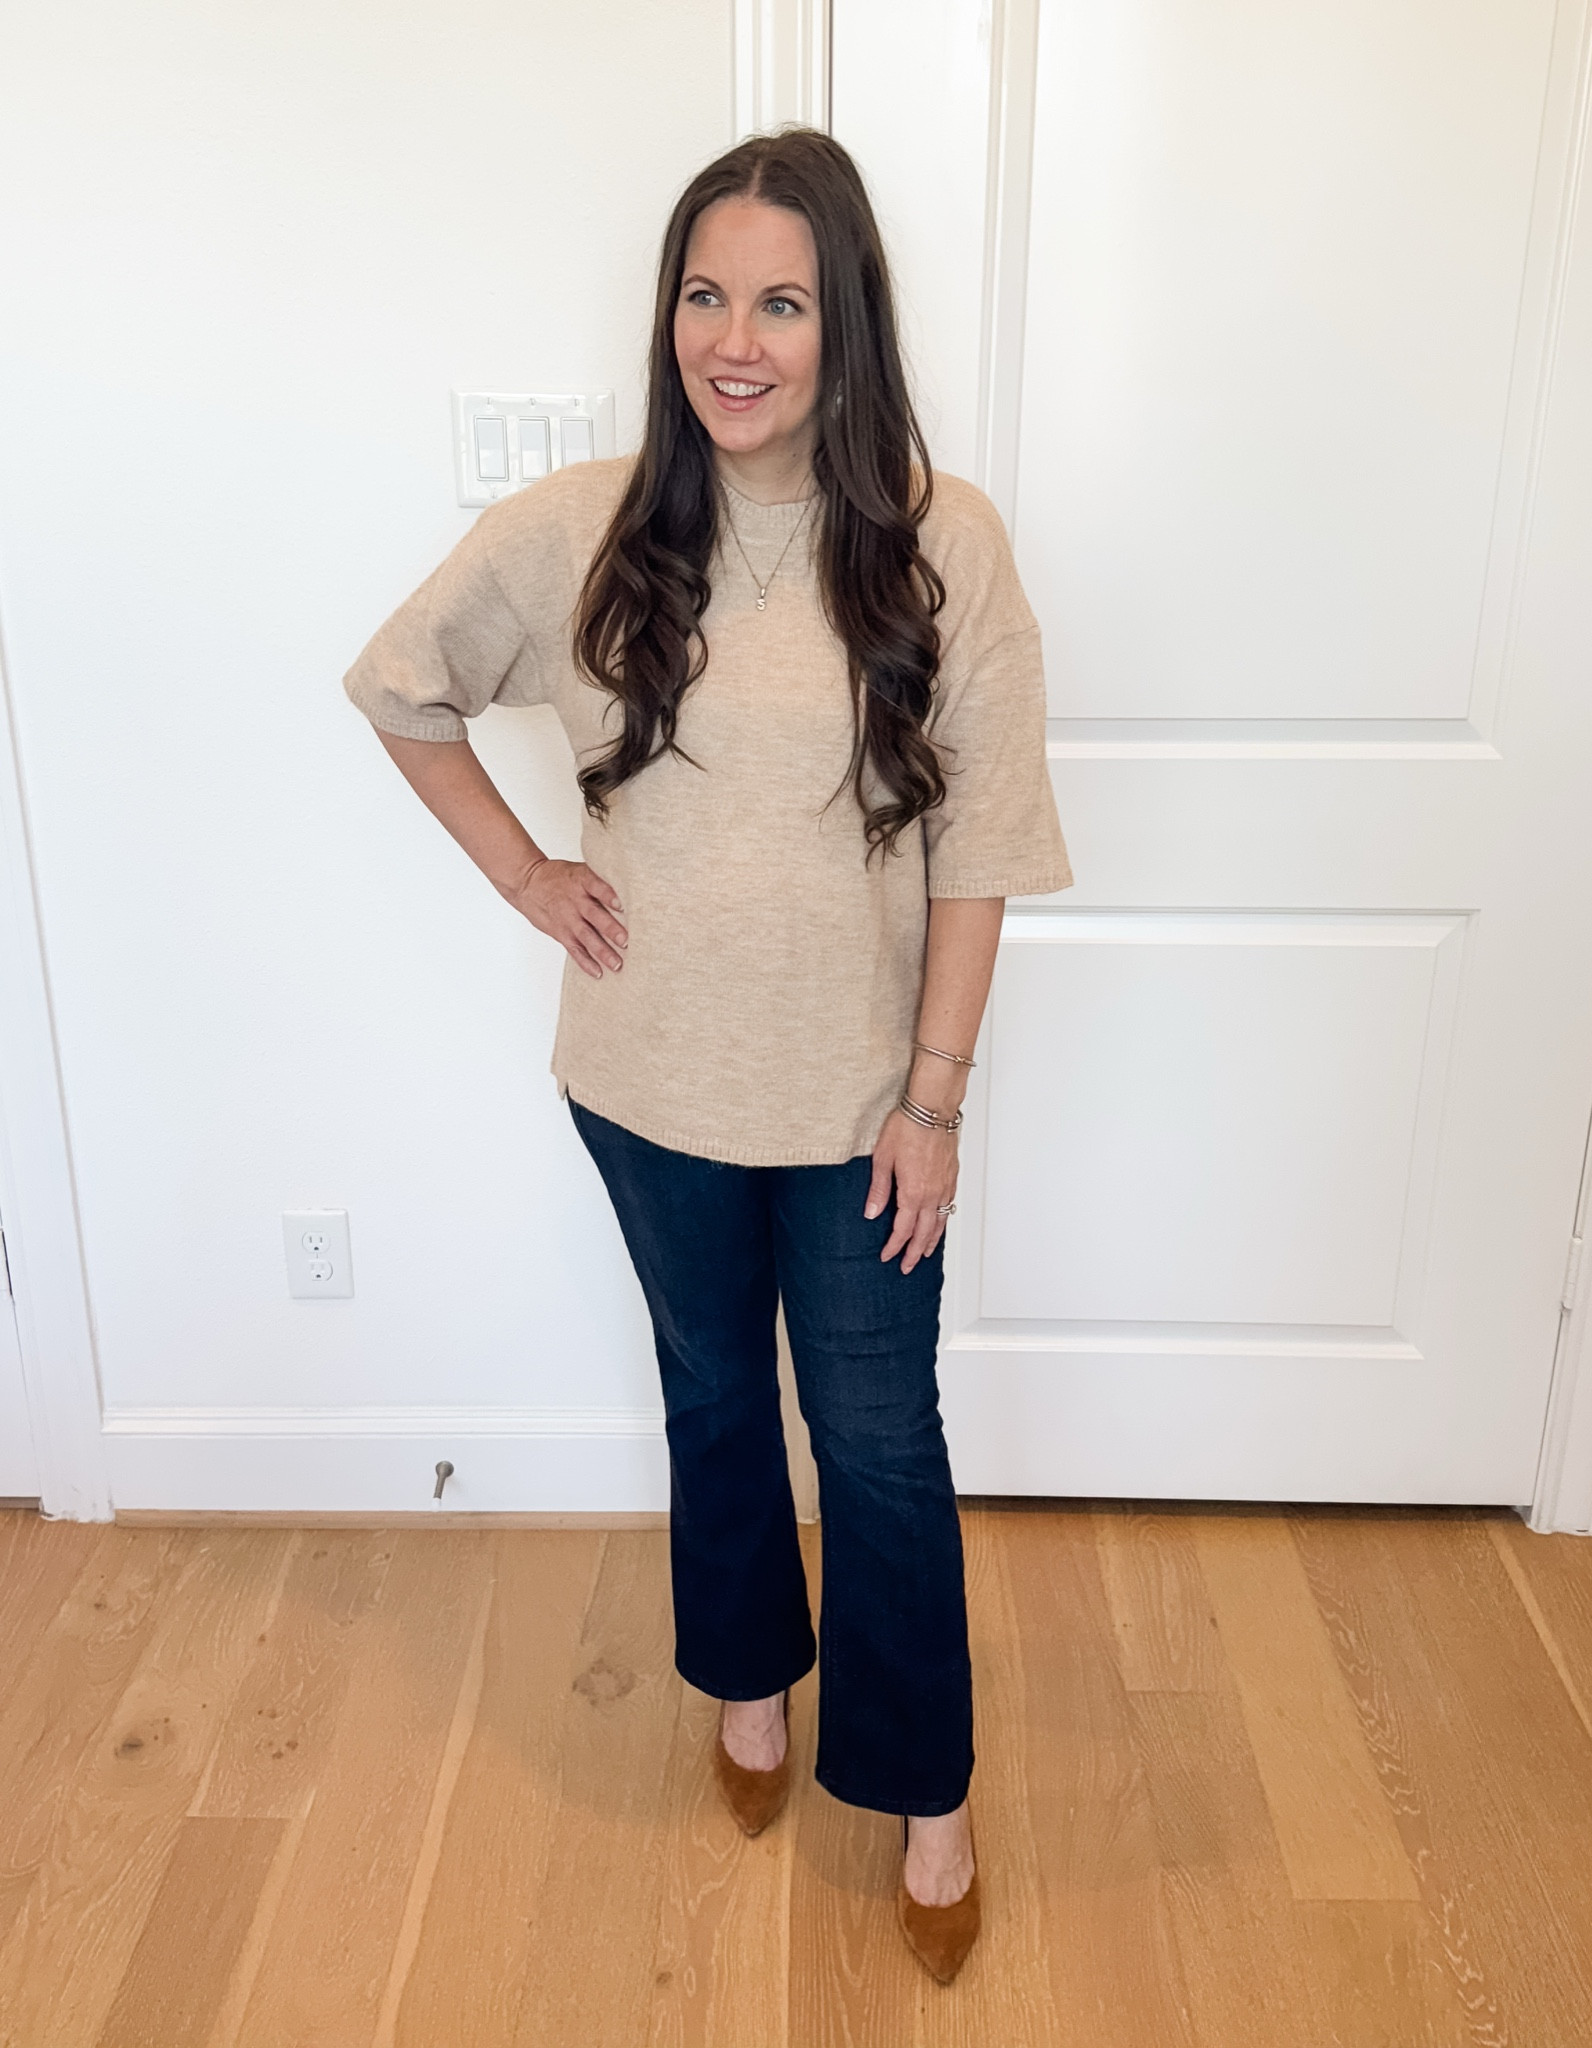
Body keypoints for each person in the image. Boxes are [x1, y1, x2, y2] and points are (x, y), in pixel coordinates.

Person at [343, 126, 1070, 1984]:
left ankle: (924, 1784)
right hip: (647, 1085)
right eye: (703, 294)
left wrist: (936, 1098)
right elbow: (401, 685)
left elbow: (985, 843)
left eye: (781, 302)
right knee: (713, 1399)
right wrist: (525, 877)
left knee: (881, 1442)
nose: (733, 340)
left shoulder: (939, 540)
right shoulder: (585, 527)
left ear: (847, 327)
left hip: (858, 1109)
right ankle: (747, 1679)